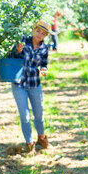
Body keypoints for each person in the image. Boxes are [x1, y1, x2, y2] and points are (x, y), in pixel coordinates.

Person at [11, 20, 53, 155]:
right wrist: (17, 51)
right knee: (25, 116)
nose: (40, 35)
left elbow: (44, 63)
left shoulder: (44, 48)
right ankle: (30, 144)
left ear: (46, 36)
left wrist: (44, 69)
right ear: (34, 29)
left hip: (35, 84)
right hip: (19, 84)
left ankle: (41, 138)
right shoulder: (23, 41)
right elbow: (11, 57)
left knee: (39, 114)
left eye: (43, 33)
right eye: (38, 31)